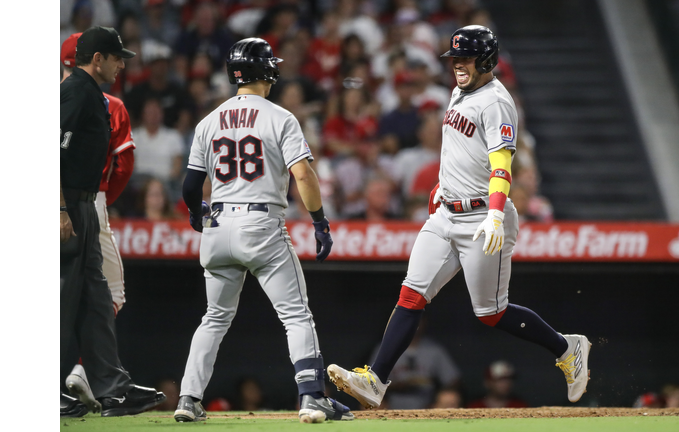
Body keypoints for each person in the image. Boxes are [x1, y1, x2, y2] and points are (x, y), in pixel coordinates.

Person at [327, 26, 591, 409]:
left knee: (490, 313)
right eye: (454, 59)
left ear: (485, 60)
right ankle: (376, 381)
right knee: (411, 294)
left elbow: (502, 165)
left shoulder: (497, 102)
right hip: (446, 213)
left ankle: (567, 348)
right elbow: (459, 150)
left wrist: (497, 216)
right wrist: (442, 186)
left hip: (484, 218)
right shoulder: (457, 90)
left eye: (465, 59)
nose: (458, 66)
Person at [173, 38, 353, 423]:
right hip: (261, 223)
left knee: (215, 318)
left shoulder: (209, 120)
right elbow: (302, 174)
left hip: (218, 225)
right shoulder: (279, 116)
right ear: (267, 72)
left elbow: (190, 186)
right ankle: (311, 396)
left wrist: (194, 212)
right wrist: (319, 220)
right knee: (296, 315)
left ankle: (188, 398)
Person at [60, 25, 165, 418]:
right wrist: (59, 209)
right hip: (68, 204)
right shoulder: (74, 91)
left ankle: (112, 389)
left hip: (85, 204)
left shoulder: (90, 94)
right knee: (60, 301)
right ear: (97, 59)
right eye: (117, 57)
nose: (123, 64)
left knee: (98, 301)